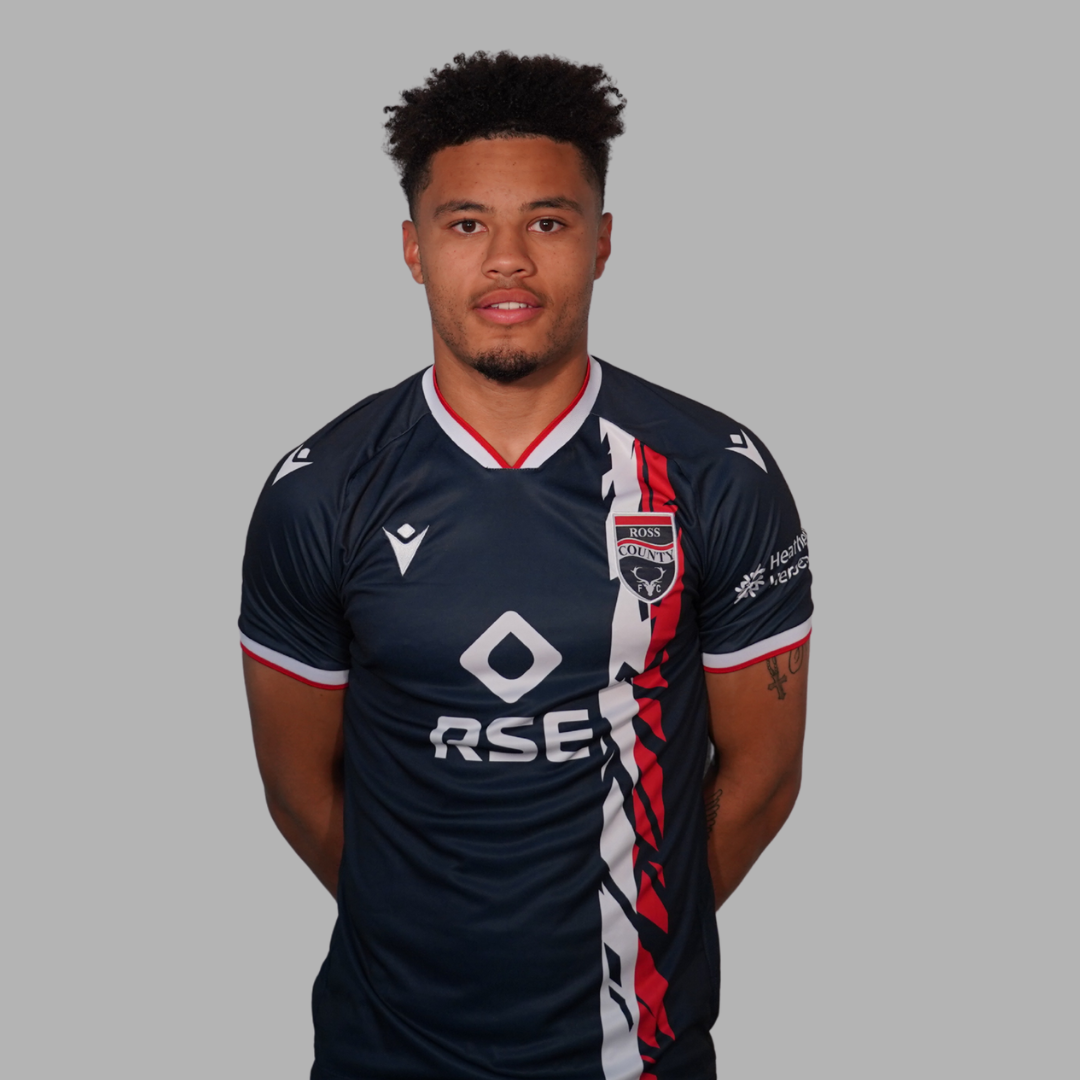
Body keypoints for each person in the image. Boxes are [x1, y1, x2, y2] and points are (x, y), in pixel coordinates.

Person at [240, 51, 812, 1080]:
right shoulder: (320, 493)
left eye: (547, 222)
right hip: (384, 1054)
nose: (507, 260)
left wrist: (641, 928)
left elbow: (764, 778)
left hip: (637, 1054)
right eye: (467, 225)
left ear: (602, 242)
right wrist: (422, 938)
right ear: (413, 250)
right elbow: (297, 788)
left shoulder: (715, 477)